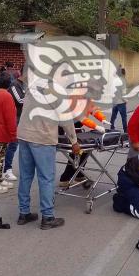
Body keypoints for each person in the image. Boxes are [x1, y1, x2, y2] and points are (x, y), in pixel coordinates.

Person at [17, 79, 80, 230]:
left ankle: (23, 213)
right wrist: (74, 141)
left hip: (24, 135)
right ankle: (48, 217)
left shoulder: (33, 85)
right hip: (42, 138)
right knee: (46, 178)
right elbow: (65, 119)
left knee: (25, 176)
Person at [2, 69, 25, 182]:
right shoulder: (15, 85)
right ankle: (7, 170)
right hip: (14, 120)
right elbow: (20, 100)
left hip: (23, 120)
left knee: (18, 145)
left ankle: (5, 168)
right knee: (12, 145)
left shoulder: (26, 86)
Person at [110, 68, 128, 132]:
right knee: (123, 117)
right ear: (123, 73)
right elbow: (123, 92)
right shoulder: (123, 80)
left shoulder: (114, 80)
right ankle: (125, 130)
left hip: (114, 101)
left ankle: (111, 128)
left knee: (113, 116)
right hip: (121, 102)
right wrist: (125, 100)